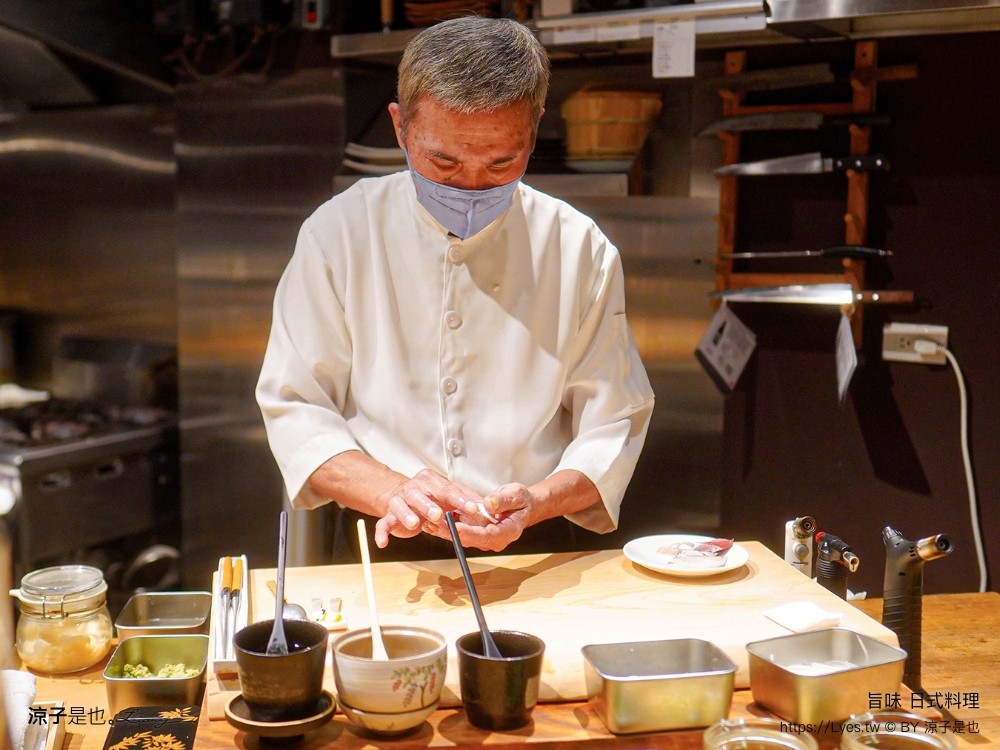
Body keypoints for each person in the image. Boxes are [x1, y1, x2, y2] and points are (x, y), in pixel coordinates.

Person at [255, 15, 654, 562]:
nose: (470, 186)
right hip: (382, 536)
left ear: (534, 128)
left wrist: (536, 502)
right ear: (400, 127)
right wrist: (393, 491)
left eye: (501, 163)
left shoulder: (577, 247)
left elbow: (613, 421)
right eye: (443, 161)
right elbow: (296, 405)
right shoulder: (339, 232)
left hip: (531, 545)